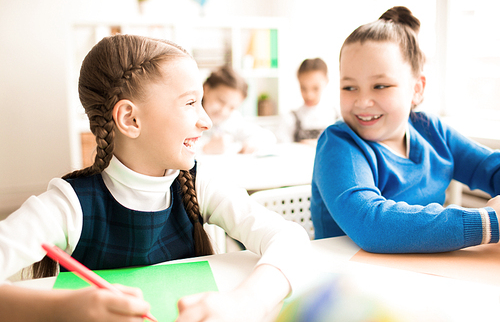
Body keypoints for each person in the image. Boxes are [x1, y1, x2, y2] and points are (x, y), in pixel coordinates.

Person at [0, 34, 311, 321]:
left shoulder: (199, 184)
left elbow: (291, 239)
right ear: (130, 119)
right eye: (190, 103)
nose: (205, 120)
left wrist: (247, 302)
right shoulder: (68, 205)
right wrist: (64, 309)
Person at [310, 6, 500, 253]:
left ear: (417, 89)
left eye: (380, 86)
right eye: (349, 87)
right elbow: (370, 224)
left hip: (421, 274)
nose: (362, 101)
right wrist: (487, 222)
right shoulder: (339, 144)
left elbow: (490, 167)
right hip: (345, 281)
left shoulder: (433, 131)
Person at [198, 65, 276, 154]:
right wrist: (204, 149)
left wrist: (253, 143)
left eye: (232, 107)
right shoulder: (188, 115)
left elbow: (268, 136)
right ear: (206, 89)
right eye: (221, 101)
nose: (224, 111)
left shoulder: (232, 119)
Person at [277, 58, 337, 146]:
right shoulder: (290, 119)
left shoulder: (336, 117)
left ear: (326, 81)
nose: (309, 95)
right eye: (303, 88)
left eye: (315, 88)